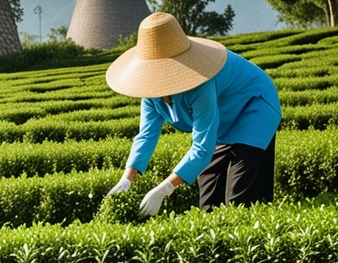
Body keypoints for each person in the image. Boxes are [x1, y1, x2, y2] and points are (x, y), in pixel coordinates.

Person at [104, 12, 281, 216]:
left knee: (239, 199)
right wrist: (127, 178)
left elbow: (202, 148)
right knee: (208, 200)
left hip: (255, 108)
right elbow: (146, 135)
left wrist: (165, 188)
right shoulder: (151, 96)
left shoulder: (199, 84)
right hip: (223, 119)